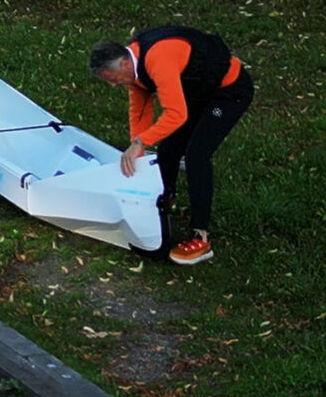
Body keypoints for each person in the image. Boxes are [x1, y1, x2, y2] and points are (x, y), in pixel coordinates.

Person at [89, 25, 253, 265]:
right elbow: (140, 111)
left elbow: (176, 114)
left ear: (124, 64)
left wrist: (140, 142)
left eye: (113, 80)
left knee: (197, 155)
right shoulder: (134, 70)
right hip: (196, 92)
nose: (114, 85)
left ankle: (201, 237)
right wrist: (139, 153)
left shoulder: (158, 58)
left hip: (228, 92)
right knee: (168, 149)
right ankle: (164, 198)